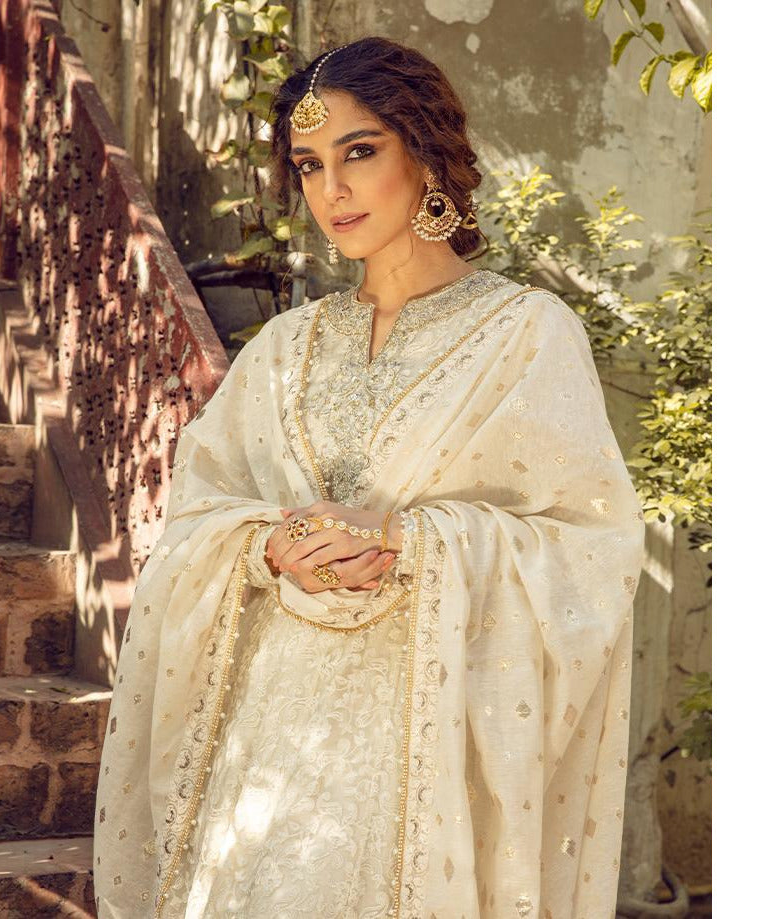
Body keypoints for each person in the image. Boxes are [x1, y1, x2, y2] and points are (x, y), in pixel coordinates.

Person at [93, 36, 645, 919]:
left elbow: (591, 543)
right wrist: (267, 545)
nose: (331, 190)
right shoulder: (283, 348)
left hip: (423, 749)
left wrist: (406, 537)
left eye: (358, 152)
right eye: (309, 165)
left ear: (423, 152)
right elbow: (197, 516)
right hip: (266, 750)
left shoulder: (526, 332)